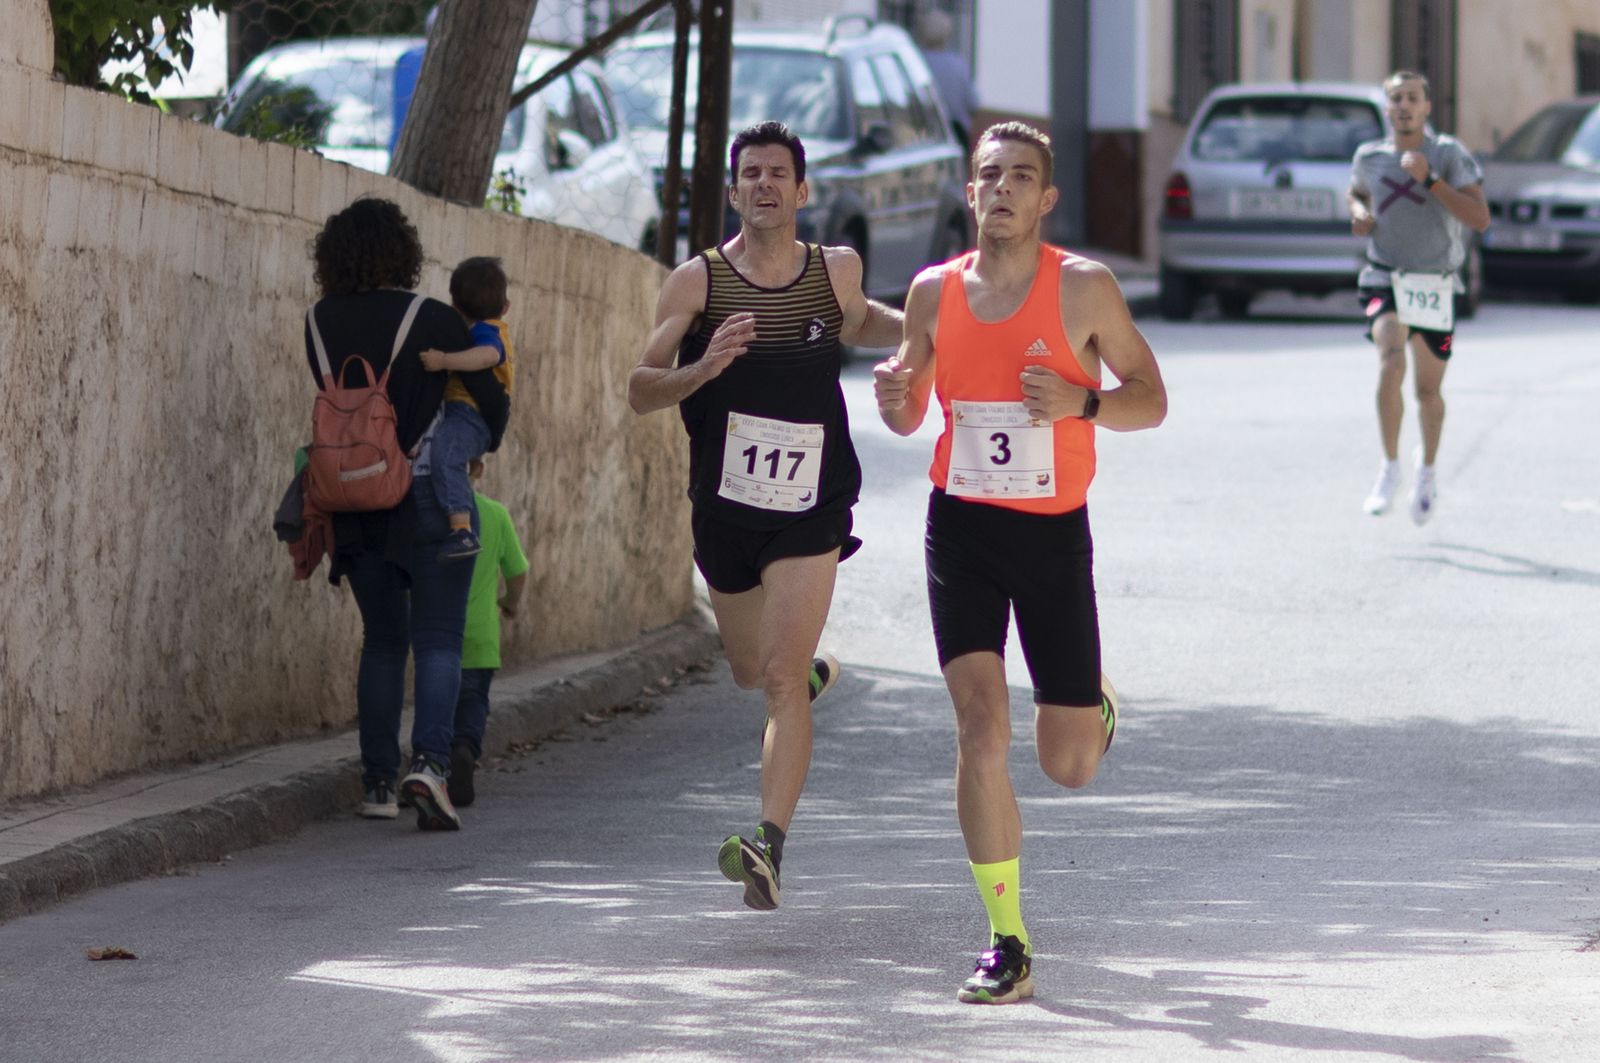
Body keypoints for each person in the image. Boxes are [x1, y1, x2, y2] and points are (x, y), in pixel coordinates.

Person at [873, 122, 1166, 1003]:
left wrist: (1084, 400)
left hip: (1050, 534)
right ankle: (1007, 938)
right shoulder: (931, 293)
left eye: (1021, 177)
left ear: (1046, 199)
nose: (1001, 188)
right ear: (970, 193)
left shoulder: (1083, 287)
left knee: (1066, 762)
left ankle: (1094, 705)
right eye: (988, 175)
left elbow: (1149, 400)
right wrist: (895, 396)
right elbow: (907, 410)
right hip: (960, 526)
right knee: (978, 732)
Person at [627, 120, 904, 912]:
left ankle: (768, 843)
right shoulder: (698, 285)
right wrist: (703, 366)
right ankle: (802, 675)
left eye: (778, 173)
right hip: (725, 510)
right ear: (735, 189)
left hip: (812, 504)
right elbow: (641, 387)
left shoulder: (833, 271)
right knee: (752, 669)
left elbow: (862, 319)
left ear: (802, 190)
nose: (765, 185)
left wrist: (927, 329)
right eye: (750, 173)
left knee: (780, 678)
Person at [305, 196, 510, 831]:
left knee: (384, 642)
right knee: (440, 639)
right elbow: (492, 409)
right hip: (426, 496)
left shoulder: (317, 321)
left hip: (356, 500)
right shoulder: (435, 319)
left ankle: (375, 784)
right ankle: (430, 766)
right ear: (403, 250)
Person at [1349, 70, 1489, 524]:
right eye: (1396, 99)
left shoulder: (1448, 154)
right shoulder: (1369, 156)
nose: (1404, 106)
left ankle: (1425, 470)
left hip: (1435, 282)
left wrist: (1431, 182)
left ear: (1428, 106)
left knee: (1428, 391)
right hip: (1384, 274)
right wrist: (1358, 212)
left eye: (1412, 98)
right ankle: (1389, 467)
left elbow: (1480, 218)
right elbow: (1357, 192)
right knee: (1390, 363)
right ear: (1386, 108)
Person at [418, 256, 517, 562]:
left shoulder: (487, 331)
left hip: (471, 415)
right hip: (467, 415)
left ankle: (462, 530)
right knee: (449, 452)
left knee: (443, 453)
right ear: (506, 306)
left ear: (455, 304)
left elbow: (488, 356)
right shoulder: (485, 327)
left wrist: (444, 360)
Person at [446, 457, 529, 807]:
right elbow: (517, 570)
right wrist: (510, 603)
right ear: (478, 469)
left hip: (439, 633)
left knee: (439, 700)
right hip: (481, 635)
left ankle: (436, 761)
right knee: (474, 702)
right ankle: (465, 749)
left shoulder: (436, 514)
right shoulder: (494, 514)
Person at [915, 9, 978, 156]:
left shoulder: (916, 63)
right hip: (956, 134)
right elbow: (973, 104)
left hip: (923, 135)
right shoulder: (958, 65)